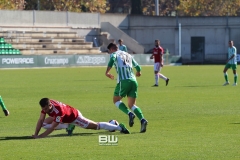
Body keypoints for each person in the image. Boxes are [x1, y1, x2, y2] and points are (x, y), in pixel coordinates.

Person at [32, 98, 130, 139]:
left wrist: (40, 137)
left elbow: (52, 128)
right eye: (42, 109)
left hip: (75, 117)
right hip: (66, 117)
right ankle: (68, 125)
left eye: (45, 108)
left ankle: (119, 127)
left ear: (49, 105)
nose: (44, 110)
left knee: (95, 126)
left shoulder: (59, 112)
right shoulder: (47, 106)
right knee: (44, 124)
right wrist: (35, 134)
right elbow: (40, 120)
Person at [105, 42, 148, 133]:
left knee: (116, 100)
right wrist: (139, 72)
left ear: (112, 49)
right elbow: (138, 67)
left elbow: (112, 59)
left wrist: (107, 72)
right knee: (132, 105)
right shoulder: (127, 54)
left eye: (109, 51)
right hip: (134, 81)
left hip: (124, 81)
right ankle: (143, 120)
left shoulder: (114, 54)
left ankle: (129, 114)